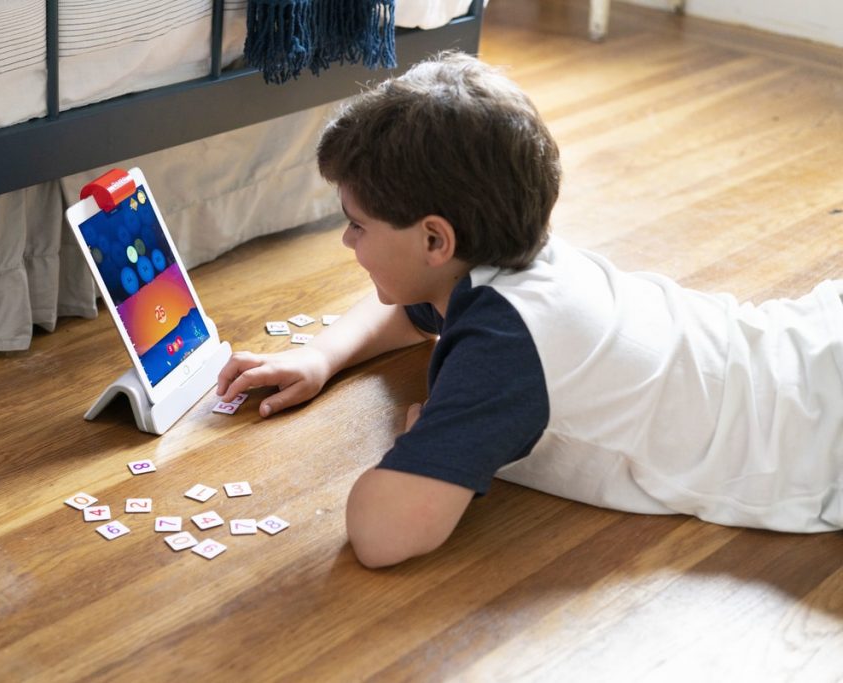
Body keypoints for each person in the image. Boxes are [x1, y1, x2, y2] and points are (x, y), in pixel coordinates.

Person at [215, 52, 843, 568]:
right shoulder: (508, 258)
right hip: (802, 349)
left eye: (357, 225)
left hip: (814, 445)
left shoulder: (503, 350)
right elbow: (413, 313)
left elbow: (384, 535)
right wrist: (321, 355)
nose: (348, 242)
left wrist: (422, 445)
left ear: (436, 241)